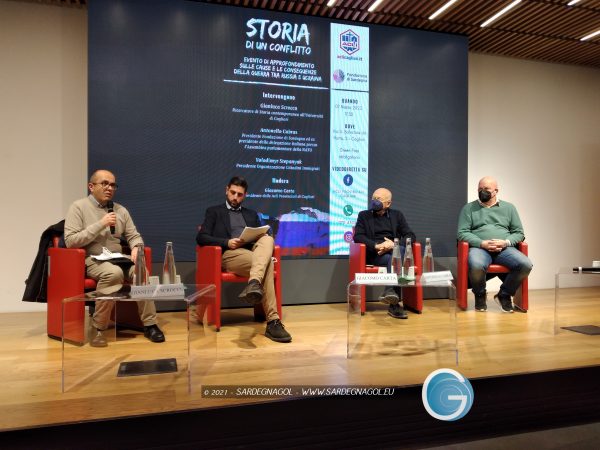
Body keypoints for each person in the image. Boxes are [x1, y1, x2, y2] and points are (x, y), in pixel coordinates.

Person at [64, 170, 165, 347]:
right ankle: (99, 327)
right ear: (91, 186)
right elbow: (71, 241)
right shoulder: (78, 207)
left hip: (118, 258)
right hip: (92, 259)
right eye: (104, 183)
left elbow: (134, 235)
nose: (110, 188)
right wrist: (101, 224)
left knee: (141, 272)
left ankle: (150, 324)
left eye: (113, 185)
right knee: (113, 273)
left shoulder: (120, 210)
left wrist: (136, 247)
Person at [196, 176, 292, 343]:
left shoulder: (251, 214)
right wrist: (227, 242)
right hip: (229, 255)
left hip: (252, 254)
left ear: (245, 195)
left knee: (268, 239)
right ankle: (273, 322)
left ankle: (254, 282)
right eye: (233, 193)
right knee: (267, 263)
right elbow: (201, 237)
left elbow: (259, 237)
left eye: (239, 194)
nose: (235, 197)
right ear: (227, 190)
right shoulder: (214, 212)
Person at [457, 176, 533, 313]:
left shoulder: (509, 208)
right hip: (479, 248)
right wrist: (482, 243)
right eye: (480, 189)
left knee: (525, 264)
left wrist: (506, 242)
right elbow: (462, 233)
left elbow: (519, 232)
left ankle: (504, 294)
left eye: (486, 189)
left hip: (504, 249)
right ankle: (480, 294)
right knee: (476, 264)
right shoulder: (469, 208)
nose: (482, 192)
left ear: (496, 191)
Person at [353, 188, 416, 319]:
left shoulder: (397, 215)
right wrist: (377, 245)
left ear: (388, 203)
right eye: (373, 198)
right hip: (375, 254)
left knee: (398, 252)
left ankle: (390, 292)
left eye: (378, 199)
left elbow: (410, 235)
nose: (374, 201)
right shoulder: (364, 215)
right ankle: (394, 302)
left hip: (393, 251)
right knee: (399, 253)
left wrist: (393, 245)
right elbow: (358, 236)